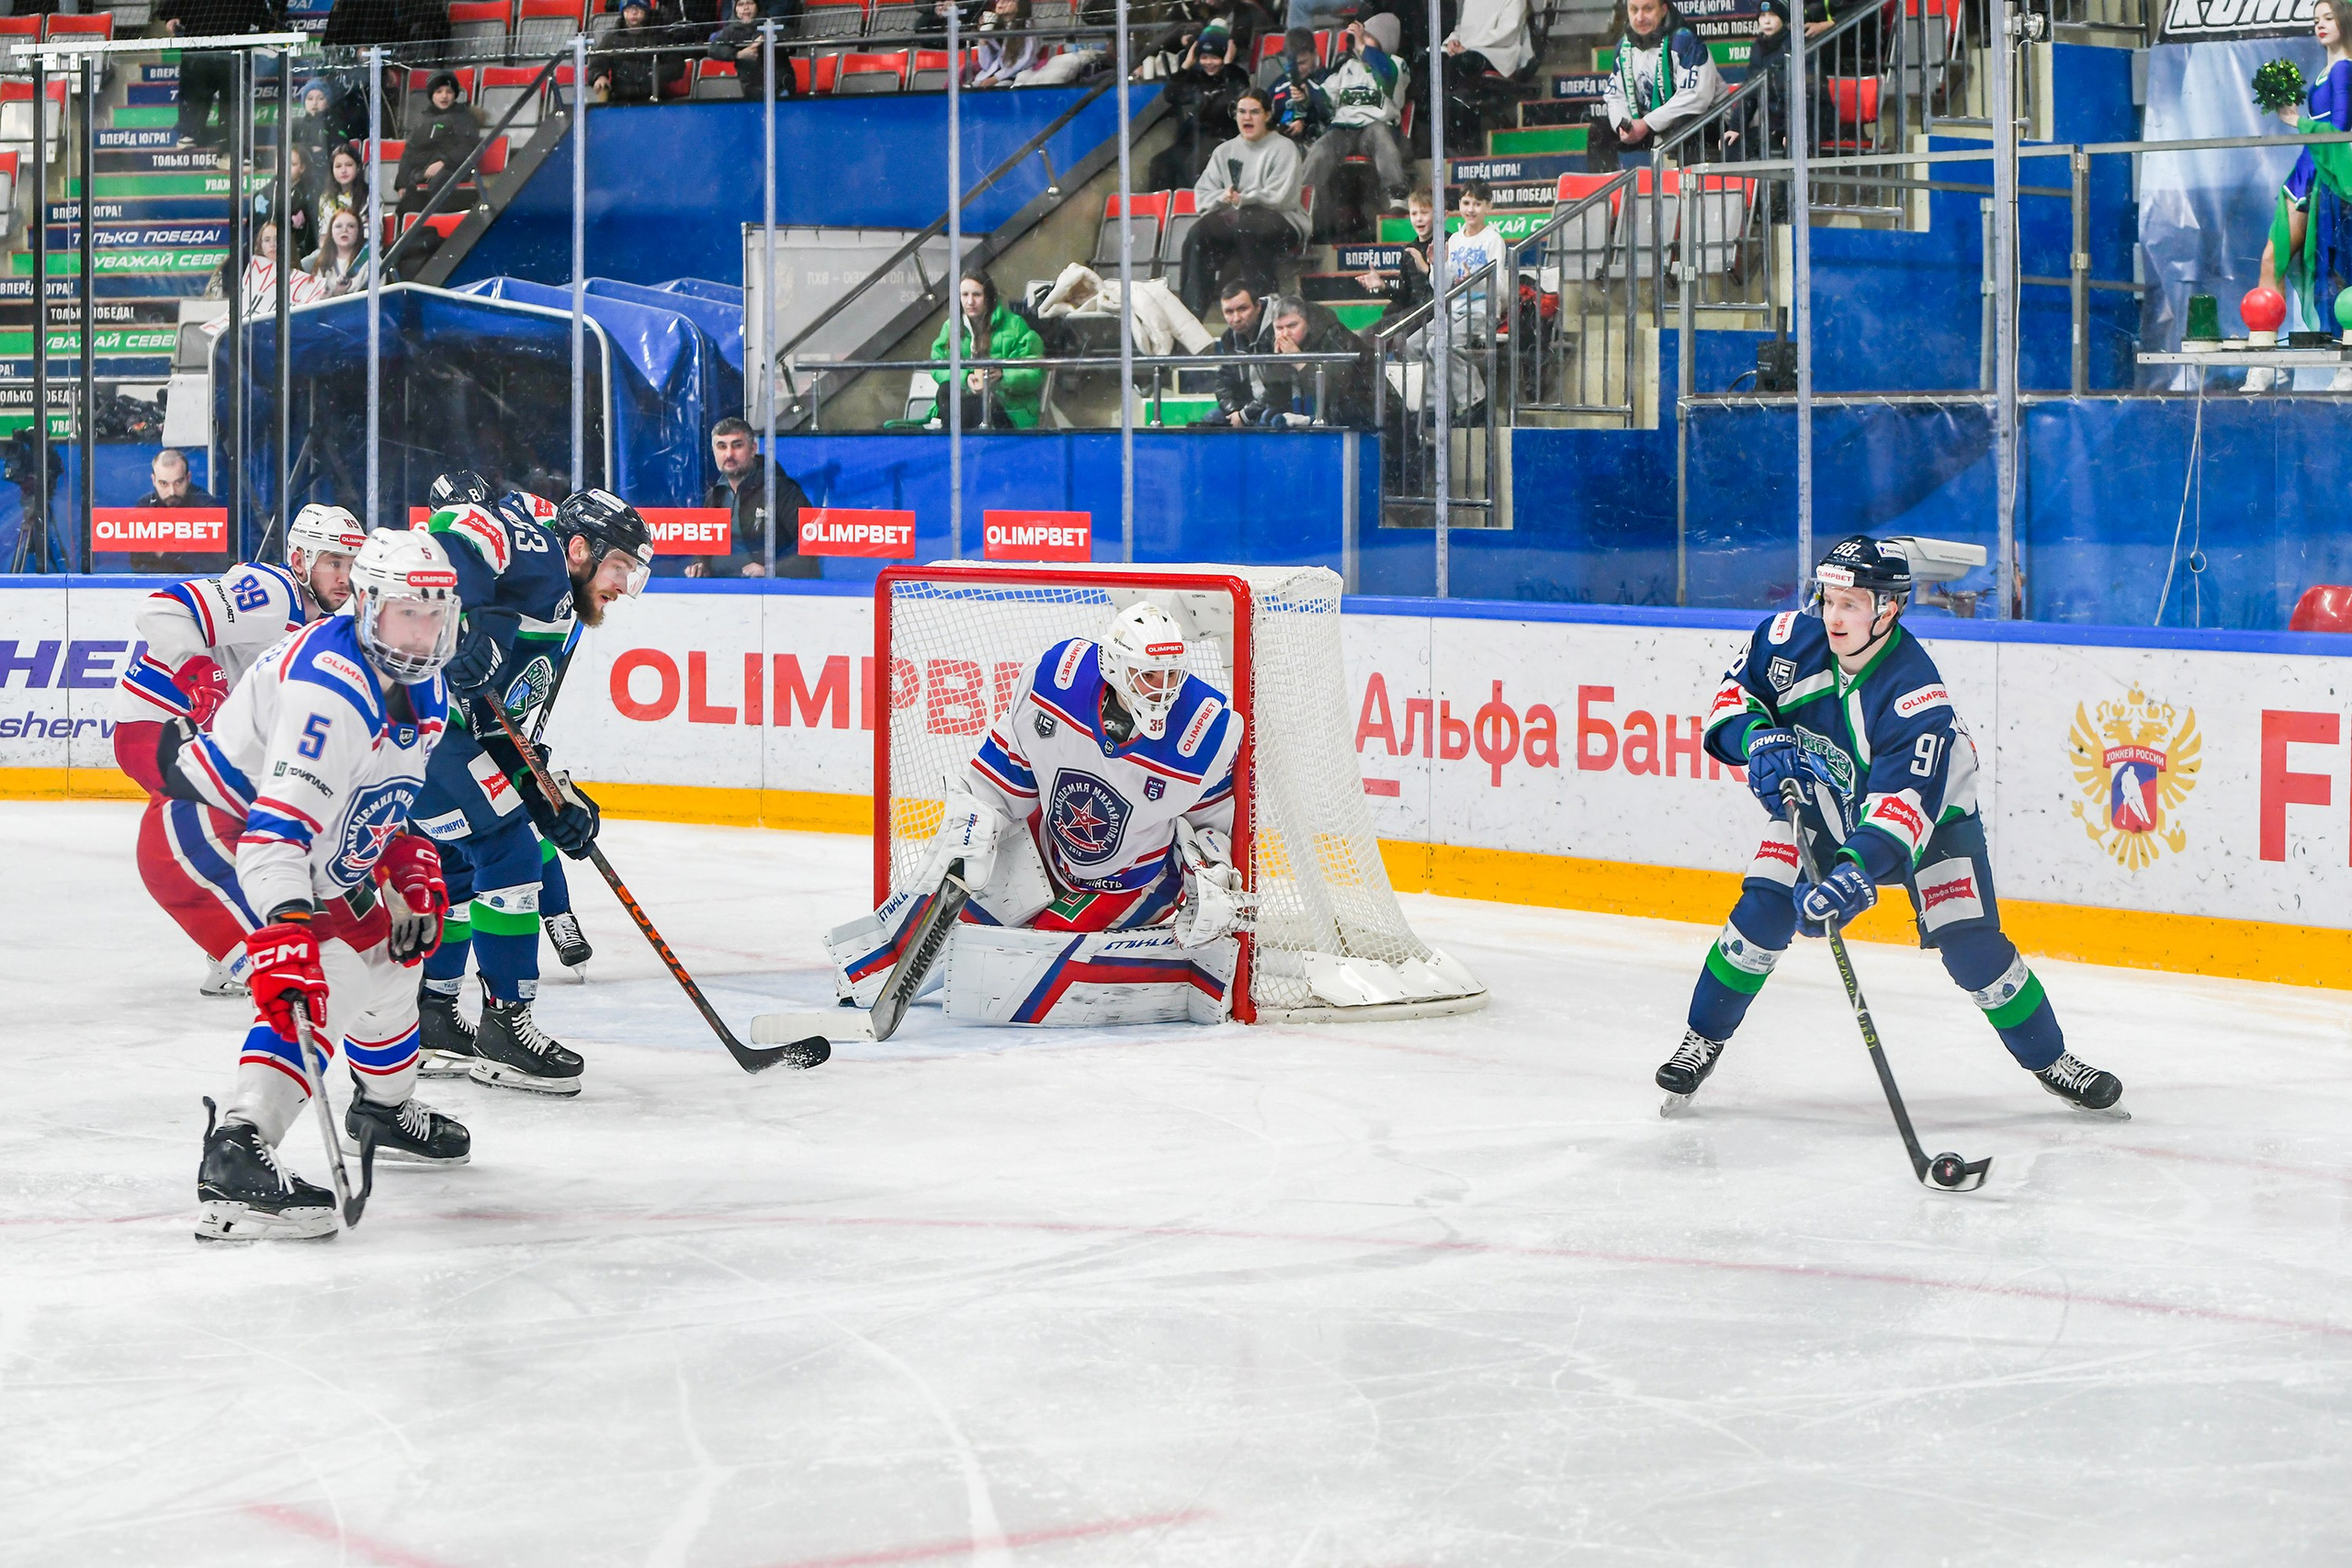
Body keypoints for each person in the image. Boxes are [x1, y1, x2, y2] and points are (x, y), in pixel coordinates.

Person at [1656, 535, 2127, 1118]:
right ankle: (1702, 1039)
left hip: (1933, 821)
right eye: (1828, 599)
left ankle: (2053, 1062)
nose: (1834, 615)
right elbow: (1731, 701)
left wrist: (1855, 873)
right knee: (1763, 911)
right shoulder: (1786, 640)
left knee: (1973, 949)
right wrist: (1757, 738)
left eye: (1851, 603)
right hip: (1825, 802)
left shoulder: (1914, 692)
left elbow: (1904, 805)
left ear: (1889, 608)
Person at [173, 526, 469, 1240]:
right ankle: (239, 1147)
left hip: (296, 839)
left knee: (393, 952)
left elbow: (363, 799)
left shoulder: (422, 682)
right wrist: (286, 935)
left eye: (436, 613)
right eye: (408, 611)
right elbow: (276, 834)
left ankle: (385, 1107)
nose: (424, 631)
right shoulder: (329, 691)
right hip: (220, 833)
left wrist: (400, 858)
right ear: (365, 606)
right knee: (326, 971)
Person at [823, 603, 1251, 1028]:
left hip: (1132, 882)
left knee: (1023, 959)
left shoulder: (1204, 730)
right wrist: (975, 827)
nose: (1164, 689)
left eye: (1172, 674)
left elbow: (1209, 824)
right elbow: (1001, 779)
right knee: (936, 902)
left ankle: (1182, 977)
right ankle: (866, 974)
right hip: (1049, 848)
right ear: (1117, 667)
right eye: (1149, 675)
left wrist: (1210, 877)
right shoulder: (1054, 682)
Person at [410, 477, 654, 1095]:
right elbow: (457, 525)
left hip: (431, 729)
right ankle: (505, 1028)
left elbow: (502, 729)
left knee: (462, 863)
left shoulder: (562, 609)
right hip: (414, 720)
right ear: (580, 549)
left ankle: (435, 1017)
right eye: (620, 566)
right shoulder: (543, 556)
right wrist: (485, 619)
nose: (624, 588)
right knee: (508, 848)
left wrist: (551, 799)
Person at [113, 503, 369, 999]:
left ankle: (230, 953)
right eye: (333, 562)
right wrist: (197, 673)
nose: (345, 576)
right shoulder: (272, 591)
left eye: (352, 564)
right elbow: (158, 609)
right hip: (156, 727)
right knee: (242, 831)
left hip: (195, 732)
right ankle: (243, 953)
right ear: (299, 559)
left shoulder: (321, 619)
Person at [2252, 0, 2352, 392]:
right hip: (2308, 171)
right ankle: (2265, 358)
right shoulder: (2330, 69)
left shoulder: (2344, 69)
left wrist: (2297, 120)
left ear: (2345, 20)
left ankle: (2345, 365)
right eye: (2315, 20)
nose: (2320, 26)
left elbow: (2341, 130)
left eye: (2328, 18)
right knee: (2274, 258)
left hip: (2329, 176)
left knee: (2338, 268)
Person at [1182, 90, 1308, 313]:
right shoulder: (1224, 151)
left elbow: (1283, 198)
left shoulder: (1284, 148)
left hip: (1282, 221)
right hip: (1236, 220)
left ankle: (1263, 310)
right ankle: (1191, 316)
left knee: (1249, 225)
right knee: (1198, 234)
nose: (1247, 118)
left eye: (1254, 112)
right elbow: (1202, 196)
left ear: (1267, 115)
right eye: (1241, 112)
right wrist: (1223, 197)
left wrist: (1245, 198)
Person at [1298, 17, 1413, 219]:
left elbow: (1387, 77)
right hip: (1343, 129)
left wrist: (1364, 48)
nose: (1359, 41)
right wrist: (1308, 94)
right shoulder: (1347, 67)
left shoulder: (1396, 64)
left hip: (1376, 127)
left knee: (1381, 135)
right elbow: (1326, 98)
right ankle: (1301, 202)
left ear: (1384, 40)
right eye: (1360, 36)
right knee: (1321, 147)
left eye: (1367, 36)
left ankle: (1397, 195)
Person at [688, 416, 818, 579]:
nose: (729, 454)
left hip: (765, 591)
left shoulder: (780, 489)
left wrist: (771, 569)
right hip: (717, 589)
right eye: (722, 446)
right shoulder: (715, 495)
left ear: (753, 449)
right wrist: (699, 564)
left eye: (737, 445)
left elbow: (812, 540)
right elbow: (704, 544)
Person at [1599, 0, 1724, 163]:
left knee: (1686, 124)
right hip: (1650, 125)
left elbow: (1696, 98)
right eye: (1634, 10)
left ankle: (1688, 186)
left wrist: (1647, 124)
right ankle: (1610, 186)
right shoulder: (1623, 48)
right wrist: (1623, 125)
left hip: (1707, 121)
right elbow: (1615, 97)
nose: (1640, 17)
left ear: (1664, 10)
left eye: (1648, 9)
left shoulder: (1685, 41)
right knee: (1599, 132)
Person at [927, 270, 1046, 429]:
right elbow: (938, 364)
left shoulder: (1014, 326)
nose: (970, 302)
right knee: (946, 390)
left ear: (988, 297)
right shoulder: (951, 326)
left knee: (974, 406)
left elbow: (1035, 372)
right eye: (964, 295)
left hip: (1008, 408)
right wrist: (965, 378)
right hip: (967, 403)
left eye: (977, 295)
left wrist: (1003, 375)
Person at [1145, 22, 1252, 193]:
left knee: (1194, 164)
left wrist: (1228, 64)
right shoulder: (1196, 76)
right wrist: (1187, 63)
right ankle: (1163, 212)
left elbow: (1235, 97)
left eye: (1214, 57)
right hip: (1194, 138)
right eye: (1204, 57)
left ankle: (1195, 211)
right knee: (1160, 163)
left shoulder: (1236, 75)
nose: (1209, 62)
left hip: (1222, 138)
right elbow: (1171, 94)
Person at [159, 0, 277, 150]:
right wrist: (171, 16)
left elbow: (264, 20)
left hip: (233, 51)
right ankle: (190, 132)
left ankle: (232, 143)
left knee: (233, 96)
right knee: (194, 87)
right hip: (198, 47)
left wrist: (272, 28)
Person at [396, 71, 482, 221]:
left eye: (449, 91)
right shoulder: (423, 120)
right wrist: (402, 182)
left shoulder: (464, 117)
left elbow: (467, 146)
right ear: (432, 95)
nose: (444, 96)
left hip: (452, 170)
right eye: (439, 91)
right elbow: (410, 152)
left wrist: (443, 162)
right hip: (424, 173)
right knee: (407, 205)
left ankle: (440, 224)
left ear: (455, 94)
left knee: (440, 183)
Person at [1356, 183, 1434, 327]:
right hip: (1412, 310)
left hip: (1433, 310)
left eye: (1424, 213)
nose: (1419, 219)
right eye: (1414, 213)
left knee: (1395, 328)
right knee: (1371, 333)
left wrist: (1427, 270)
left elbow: (1449, 289)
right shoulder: (1408, 251)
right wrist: (1383, 286)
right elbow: (1405, 296)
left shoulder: (1448, 242)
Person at [1201, 275, 1273, 427]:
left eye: (1242, 309)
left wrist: (1245, 414)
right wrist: (1234, 411)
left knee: (1266, 420)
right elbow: (1222, 383)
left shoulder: (1278, 330)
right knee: (1211, 420)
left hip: (1276, 407)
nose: (1236, 318)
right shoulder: (1229, 337)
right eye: (1229, 312)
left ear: (1258, 306)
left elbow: (1279, 390)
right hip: (1246, 405)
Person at [708, 0, 792, 100]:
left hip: (779, 86)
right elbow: (713, 49)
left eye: (750, 3)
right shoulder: (730, 30)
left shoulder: (770, 23)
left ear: (757, 6)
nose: (746, 8)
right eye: (741, 4)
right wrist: (739, 54)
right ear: (735, 9)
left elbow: (790, 33)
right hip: (751, 90)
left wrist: (764, 37)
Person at [591, 0, 670, 103]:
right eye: (629, 9)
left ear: (646, 11)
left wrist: (657, 73)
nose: (634, 12)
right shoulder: (611, 38)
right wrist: (599, 76)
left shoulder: (658, 37)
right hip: (619, 98)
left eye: (638, 8)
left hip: (654, 97)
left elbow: (676, 64)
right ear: (623, 12)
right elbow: (596, 64)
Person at [968, 0, 1042, 87]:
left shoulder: (1027, 26)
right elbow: (986, 66)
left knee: (998, 89)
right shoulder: (996, 27)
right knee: (970, 88)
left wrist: (995, 78)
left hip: (1017, 75)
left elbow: (1023, 60)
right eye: (998, 0)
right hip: (994, 74)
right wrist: (982, 39)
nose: (1001, 2)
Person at [304, 209, 373, 299]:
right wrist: (335, 292)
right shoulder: (321, 262)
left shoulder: (371, 261)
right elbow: (313, 301)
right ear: (331, 232)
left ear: (359, 232)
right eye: (338, 226)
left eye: (351, 226)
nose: (344, 230)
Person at [317, 143, 369, 251]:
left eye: (349, 165)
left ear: (358, 168)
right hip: (330, 253)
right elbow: (323, 235)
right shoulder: (325, 198)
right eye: (338, 166)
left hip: (361, 253)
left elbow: (373, 236)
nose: (343, 170)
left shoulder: (370, 197)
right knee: (306, 263)